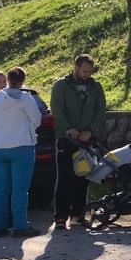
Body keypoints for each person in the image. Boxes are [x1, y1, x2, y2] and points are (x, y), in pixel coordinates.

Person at [50, 54, 107, 230]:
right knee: (64, 179)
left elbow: (100, 110)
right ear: (75, 68)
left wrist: (90, 131)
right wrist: (69, 129)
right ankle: (61, 217)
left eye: (90, 72)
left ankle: (78, 214)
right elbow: (57, 110)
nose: (87, 75)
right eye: (84, 71)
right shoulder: (61, 85)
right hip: (66, 139)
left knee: (82, 178)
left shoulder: (95, 87)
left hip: (87, 140)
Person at [0, 67, 43, 239]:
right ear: (22, 81)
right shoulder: (26, 98)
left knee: (0, 187)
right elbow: (37, 121)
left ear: (8, 80)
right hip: (22, 146)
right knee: (19, 189)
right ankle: (20, 225)